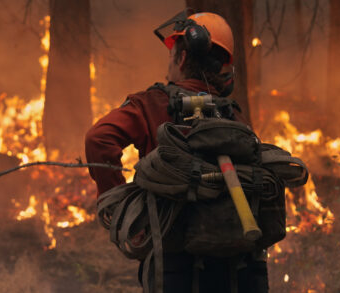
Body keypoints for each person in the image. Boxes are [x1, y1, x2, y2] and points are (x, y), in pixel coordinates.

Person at [85, 11, 269, 293]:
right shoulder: (232, 116)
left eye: (172, 55)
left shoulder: (151, 104)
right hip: (237, 266)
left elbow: (99, 139)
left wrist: (122, 210)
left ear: (181, 59)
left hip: (173, 265)